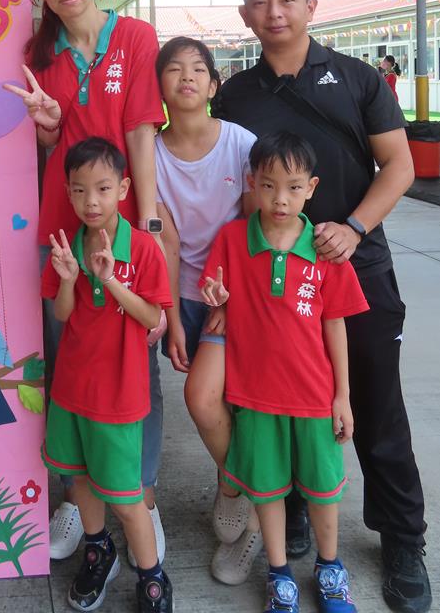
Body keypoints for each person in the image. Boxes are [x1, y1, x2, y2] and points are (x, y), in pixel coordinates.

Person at [200, 0, 430, 613]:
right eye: (259, 2)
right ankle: (294, 510)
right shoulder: (234, 95)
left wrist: (353, 228)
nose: (273, 12)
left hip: (357, 269)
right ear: (244, 14)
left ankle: (402, 539)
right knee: (279, 403)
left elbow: (399, 167)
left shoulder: (358, 80)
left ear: (310, 5)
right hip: (270, 284)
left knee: (376, 408)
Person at [4, 0, 166, 562]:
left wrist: (147, 224)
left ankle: (141, 497)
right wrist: (48, 129)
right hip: (62, 225)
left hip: (123, 225)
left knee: (136, 360)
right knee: (71, 352)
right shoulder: (38, 53)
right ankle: (79, 498)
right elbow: (54, 141)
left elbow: (141, 134)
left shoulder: (136, 38)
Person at [200, 131, 369, 613]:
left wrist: (342, 396)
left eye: (294, 187)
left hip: (314, 397)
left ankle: (330, 567)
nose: (280, 199)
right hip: (254, 397)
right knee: (267, 491)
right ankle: (278, 574)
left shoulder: (324, 249)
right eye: (269, 186)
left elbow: (335, 325)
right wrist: (217, 299)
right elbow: (215, 292)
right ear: (251, 183)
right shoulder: (232, 240)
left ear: (311, 188)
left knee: (323, 490)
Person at [41, 137, 174, 613]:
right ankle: (99, 552)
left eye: (101, 189)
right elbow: (62, 314)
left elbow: (151, 317)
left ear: (123, 189)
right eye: (79, 191)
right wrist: (70, 279)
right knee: (79, 480)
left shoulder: (143, 248)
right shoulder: (67, 246)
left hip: (119, 395)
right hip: (73, 389)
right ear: (68, 193)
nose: (90, 201)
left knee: (126, 497)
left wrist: (111, 280)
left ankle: (152, 576)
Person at [153, 36, 262, 583]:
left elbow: (253, 226)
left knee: (224, 400)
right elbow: (166, 242)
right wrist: (174, 317)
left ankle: (241, 495)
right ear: (159, 86)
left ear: (215, 84)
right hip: (188, 294)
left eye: (198, 69)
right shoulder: (149, 152)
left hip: (240, 292)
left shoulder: (241, 143)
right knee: (211, 401)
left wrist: (233, 297)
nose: (187, 77)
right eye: (174, 69)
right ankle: (241, 485)